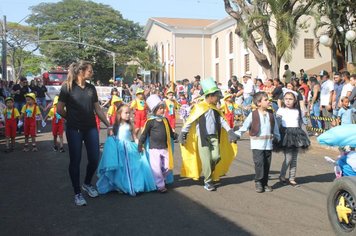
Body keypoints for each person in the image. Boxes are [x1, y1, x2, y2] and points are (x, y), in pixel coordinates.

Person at [56, 60, 111, 206]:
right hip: (74, 129)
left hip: (91, 128)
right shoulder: (67, 87)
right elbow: (60, 109)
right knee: (76, 160)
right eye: (90, 70)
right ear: (81, 72)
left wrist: (108, 125)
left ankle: (86, 183)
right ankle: (77, 193)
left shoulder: (91, 88)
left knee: (94, 158)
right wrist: (71, 118)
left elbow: (98, 109)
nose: (92, 73)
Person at [179, 77, 239, 191]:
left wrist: (230, 131)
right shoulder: (199, 107)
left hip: (214, 136)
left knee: (216, 156)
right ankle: (208, 181)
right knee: (206, 160)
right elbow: (190, 121)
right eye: (217, 96)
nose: (218, 99)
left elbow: (222, 120)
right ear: (210, 96)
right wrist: (183, 133)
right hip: (203, 138)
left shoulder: (215, 108)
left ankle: (208, 172)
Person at [96, 104, 156, 196]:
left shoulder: (130, 126)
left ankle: (132, 185)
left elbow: (135, 137)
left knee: (133, 167)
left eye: (129, 113)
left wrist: (139, 145)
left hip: (129, 149)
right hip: (119, 149)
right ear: (120, 114)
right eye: (126, 113)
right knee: (121, 169)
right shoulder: (114, 127)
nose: (128, 115)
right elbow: (111, 140)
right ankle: (120, 185)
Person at [235, 92, 280, 193]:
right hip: (257, 144)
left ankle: (265, 183)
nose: (269, 101)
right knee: (259, 163)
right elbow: (245, 126)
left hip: (268, 144)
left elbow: (275, 127)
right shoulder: (253, 114)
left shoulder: (271, 114)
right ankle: (258, 182)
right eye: (266, 100)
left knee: (267, 164)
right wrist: (236, 135)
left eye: (268, 99)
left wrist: (278, 137)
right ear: (259, 103)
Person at [138, 94, 176, 193]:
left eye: (163, 108)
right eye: (160, 108)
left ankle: (161, 179)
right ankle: (160, 185)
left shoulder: (165, 120)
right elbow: (144, 134)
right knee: (156, 168)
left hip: (165, 147)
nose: (162, 110)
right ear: (154, 110)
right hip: (154, 149)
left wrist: (174, 136)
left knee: (167, 166)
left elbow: (170, 132)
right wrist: (140, 144)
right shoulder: (150, 122)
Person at [276, 88, 310, 187]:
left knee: (294, 158)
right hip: (286, 135)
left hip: (296, 135)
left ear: (295, 100)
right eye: (286, 98)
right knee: (288, 158)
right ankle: (282, 176)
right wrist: (276, 135)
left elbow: (301, 124)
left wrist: (305, 135)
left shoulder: (297, 111)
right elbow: (277, 124)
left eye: (290, 99)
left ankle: (292, 178)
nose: (288, 101)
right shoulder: (281, 110)